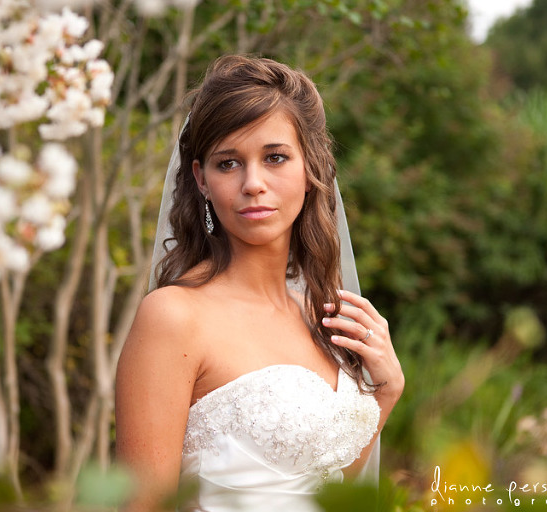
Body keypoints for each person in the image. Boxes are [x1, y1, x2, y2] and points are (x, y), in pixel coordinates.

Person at [115, 54, 404, 512]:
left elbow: (326, 492)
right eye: (228, 163)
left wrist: (385, 393)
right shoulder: (173, 317)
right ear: (201, 180)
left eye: (275, 158)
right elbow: (143, 505)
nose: (253, 183)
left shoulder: (324, 317)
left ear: (309, 168)